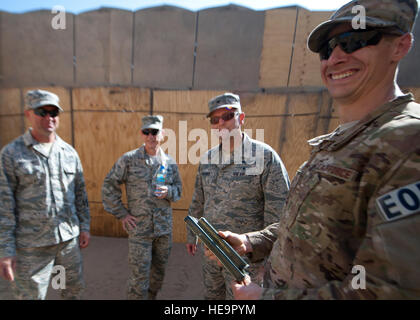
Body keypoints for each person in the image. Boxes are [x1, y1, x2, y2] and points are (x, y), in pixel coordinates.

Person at [208, 0, 420, 299]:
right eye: (327, 48)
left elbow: (386, 291)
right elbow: (302, 226)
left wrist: (264, 299)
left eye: (355, 40)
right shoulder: (340, 141)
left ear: (400, 45)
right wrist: (251, 241)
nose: (335, 58)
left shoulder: (409, 142)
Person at [186, 92, 290, 299]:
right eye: (215, 120)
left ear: (241, 118)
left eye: (228, 116)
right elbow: (199, 199)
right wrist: (192, 234)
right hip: (212, 253)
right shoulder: (208, 159)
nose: (221, 123)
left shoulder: (265, 157)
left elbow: (280, 216)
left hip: (247, 259)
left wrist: (269, 260)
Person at [0, 89, 91, 300]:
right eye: (42, 111)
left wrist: (84, 226)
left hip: (67, 242)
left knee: (72, 292)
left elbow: (80, 194)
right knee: (29, 297)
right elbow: (4, 206)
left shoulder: (69, 153)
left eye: (54, 112)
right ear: (29, 114)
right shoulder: (12, 154)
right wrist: (6, 249)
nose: (49, 118)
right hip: (31, 246)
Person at [102, 115, 182, 300]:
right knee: (139, 278)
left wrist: (168, 191)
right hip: (140, 230)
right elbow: (109, 185)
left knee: (158, 275)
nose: (150, 136)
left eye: (154, 132)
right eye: (146, 132)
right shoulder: (129, 160)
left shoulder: (169, 163)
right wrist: (122, 214)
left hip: (163, 230)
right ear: (141, 134)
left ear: (162, 134)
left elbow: (178, 191)